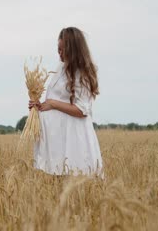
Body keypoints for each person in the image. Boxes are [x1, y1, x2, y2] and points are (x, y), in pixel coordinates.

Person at [28, 27, 104, 177]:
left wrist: (53, 104)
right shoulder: (61, 68)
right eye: (58, 49)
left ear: (74, 50)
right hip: (57, 138)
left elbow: (82, 110)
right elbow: (54, 99)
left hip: (73, 139)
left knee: (75, 182)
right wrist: (39, 106)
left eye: (63, 50)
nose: (59, 54)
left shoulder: (82, 73)